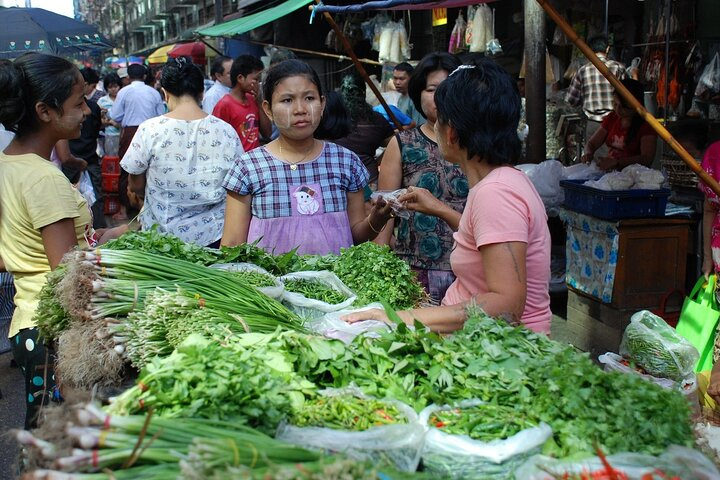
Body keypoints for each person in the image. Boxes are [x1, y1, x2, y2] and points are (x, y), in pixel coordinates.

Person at [346, 58, 552, 334]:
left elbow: (506, 304)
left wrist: (398, 317)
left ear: (451, 132)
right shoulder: (503, 182)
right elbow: (483, 244)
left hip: (501, 349)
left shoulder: (496, 194)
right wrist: (439, 209)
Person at [0, 54, 126, 429]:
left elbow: (12, 250)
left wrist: (102, 236)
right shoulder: (45, 180)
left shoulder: (9, 164)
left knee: (44, 429)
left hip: (28, 323)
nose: (87, 110)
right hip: (52, 331)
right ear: (44, 111)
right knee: (55, 438)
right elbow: (67, 273)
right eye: (77, 103)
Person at [221, 59, 394, 255]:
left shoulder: (346, 162)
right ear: (268, 109)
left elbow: (355, 235)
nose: (300, 109)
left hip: (333, 283)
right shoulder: (248, 167)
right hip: (269, 284)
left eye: (309, 98)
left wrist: (377, 219)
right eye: (287, 100)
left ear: (322, 103)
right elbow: (232, 245)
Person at [121, 57, 243, 248]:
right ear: (202, 93)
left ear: (165, 94)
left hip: (162, 237)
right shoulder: (226, 131)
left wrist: (141, 194)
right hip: (214, 235)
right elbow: (237, 185)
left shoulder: (150, 129)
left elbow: (135, 182)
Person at [375, 52, 467, 305]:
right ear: (418, 94)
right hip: (414, 270)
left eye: (447, 88)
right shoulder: (402, 144)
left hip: (472, 267)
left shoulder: (476, 147)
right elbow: (385, 212)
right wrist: (379, 262)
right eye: (432, 89)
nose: (440, 97)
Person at [110, 63, 165, 220]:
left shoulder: (124, 92)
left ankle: (124, 209)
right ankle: (149, 208)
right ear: (145, 76)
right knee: (152, 169)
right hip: (152, 132)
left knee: (126, 169)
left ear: (128, 77)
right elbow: (160, 114)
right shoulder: (153, 92)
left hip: (131, 132)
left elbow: (115, 115)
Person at [566, 35, 626, 155]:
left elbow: (572, 99)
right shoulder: (618, 68)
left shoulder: (582, 71)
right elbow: (626, 96)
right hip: (615, 123)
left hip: (593, 124)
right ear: (607, 49)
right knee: (615, 162)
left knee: (594, 165)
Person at [581, 78, 657, 171]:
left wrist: (617, 162)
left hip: (636, 177)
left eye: (624, 107)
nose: (618, 110)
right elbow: (592, 143)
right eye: (615, 104)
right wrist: (588, 153)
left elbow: (646, 158)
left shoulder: (646, 125)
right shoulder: (612, 117)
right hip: (612, 175)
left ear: (636, 105)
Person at [334, 73, 395, 183]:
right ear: (364, 93)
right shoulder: (377, 119)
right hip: (368, 178)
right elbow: (395, 143)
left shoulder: (331, 118)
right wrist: (379, 161)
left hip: (337, 178)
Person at [212, 55, 271, 152]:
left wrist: (260, 102)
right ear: (240, 78)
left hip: (253, 159)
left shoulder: (253, 99)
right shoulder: (224, 105)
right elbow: (216, 138)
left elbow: (267, 134)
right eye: (255, 79)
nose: (258, 83)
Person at [97, 72, 122, 158]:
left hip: (123, 134)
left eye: (115, 86)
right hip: (109, 135)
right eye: (110, 87)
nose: (113, 89)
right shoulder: (102, 101)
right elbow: (99, 119)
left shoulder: (123, 98)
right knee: (111, 159)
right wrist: (111, 122)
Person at [393, 62, 424, 127]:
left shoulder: (415, 99)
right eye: (395, 78)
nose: (397, 82)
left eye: (401, 79)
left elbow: (418, 125)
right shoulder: (401, 97)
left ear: (411, 78)